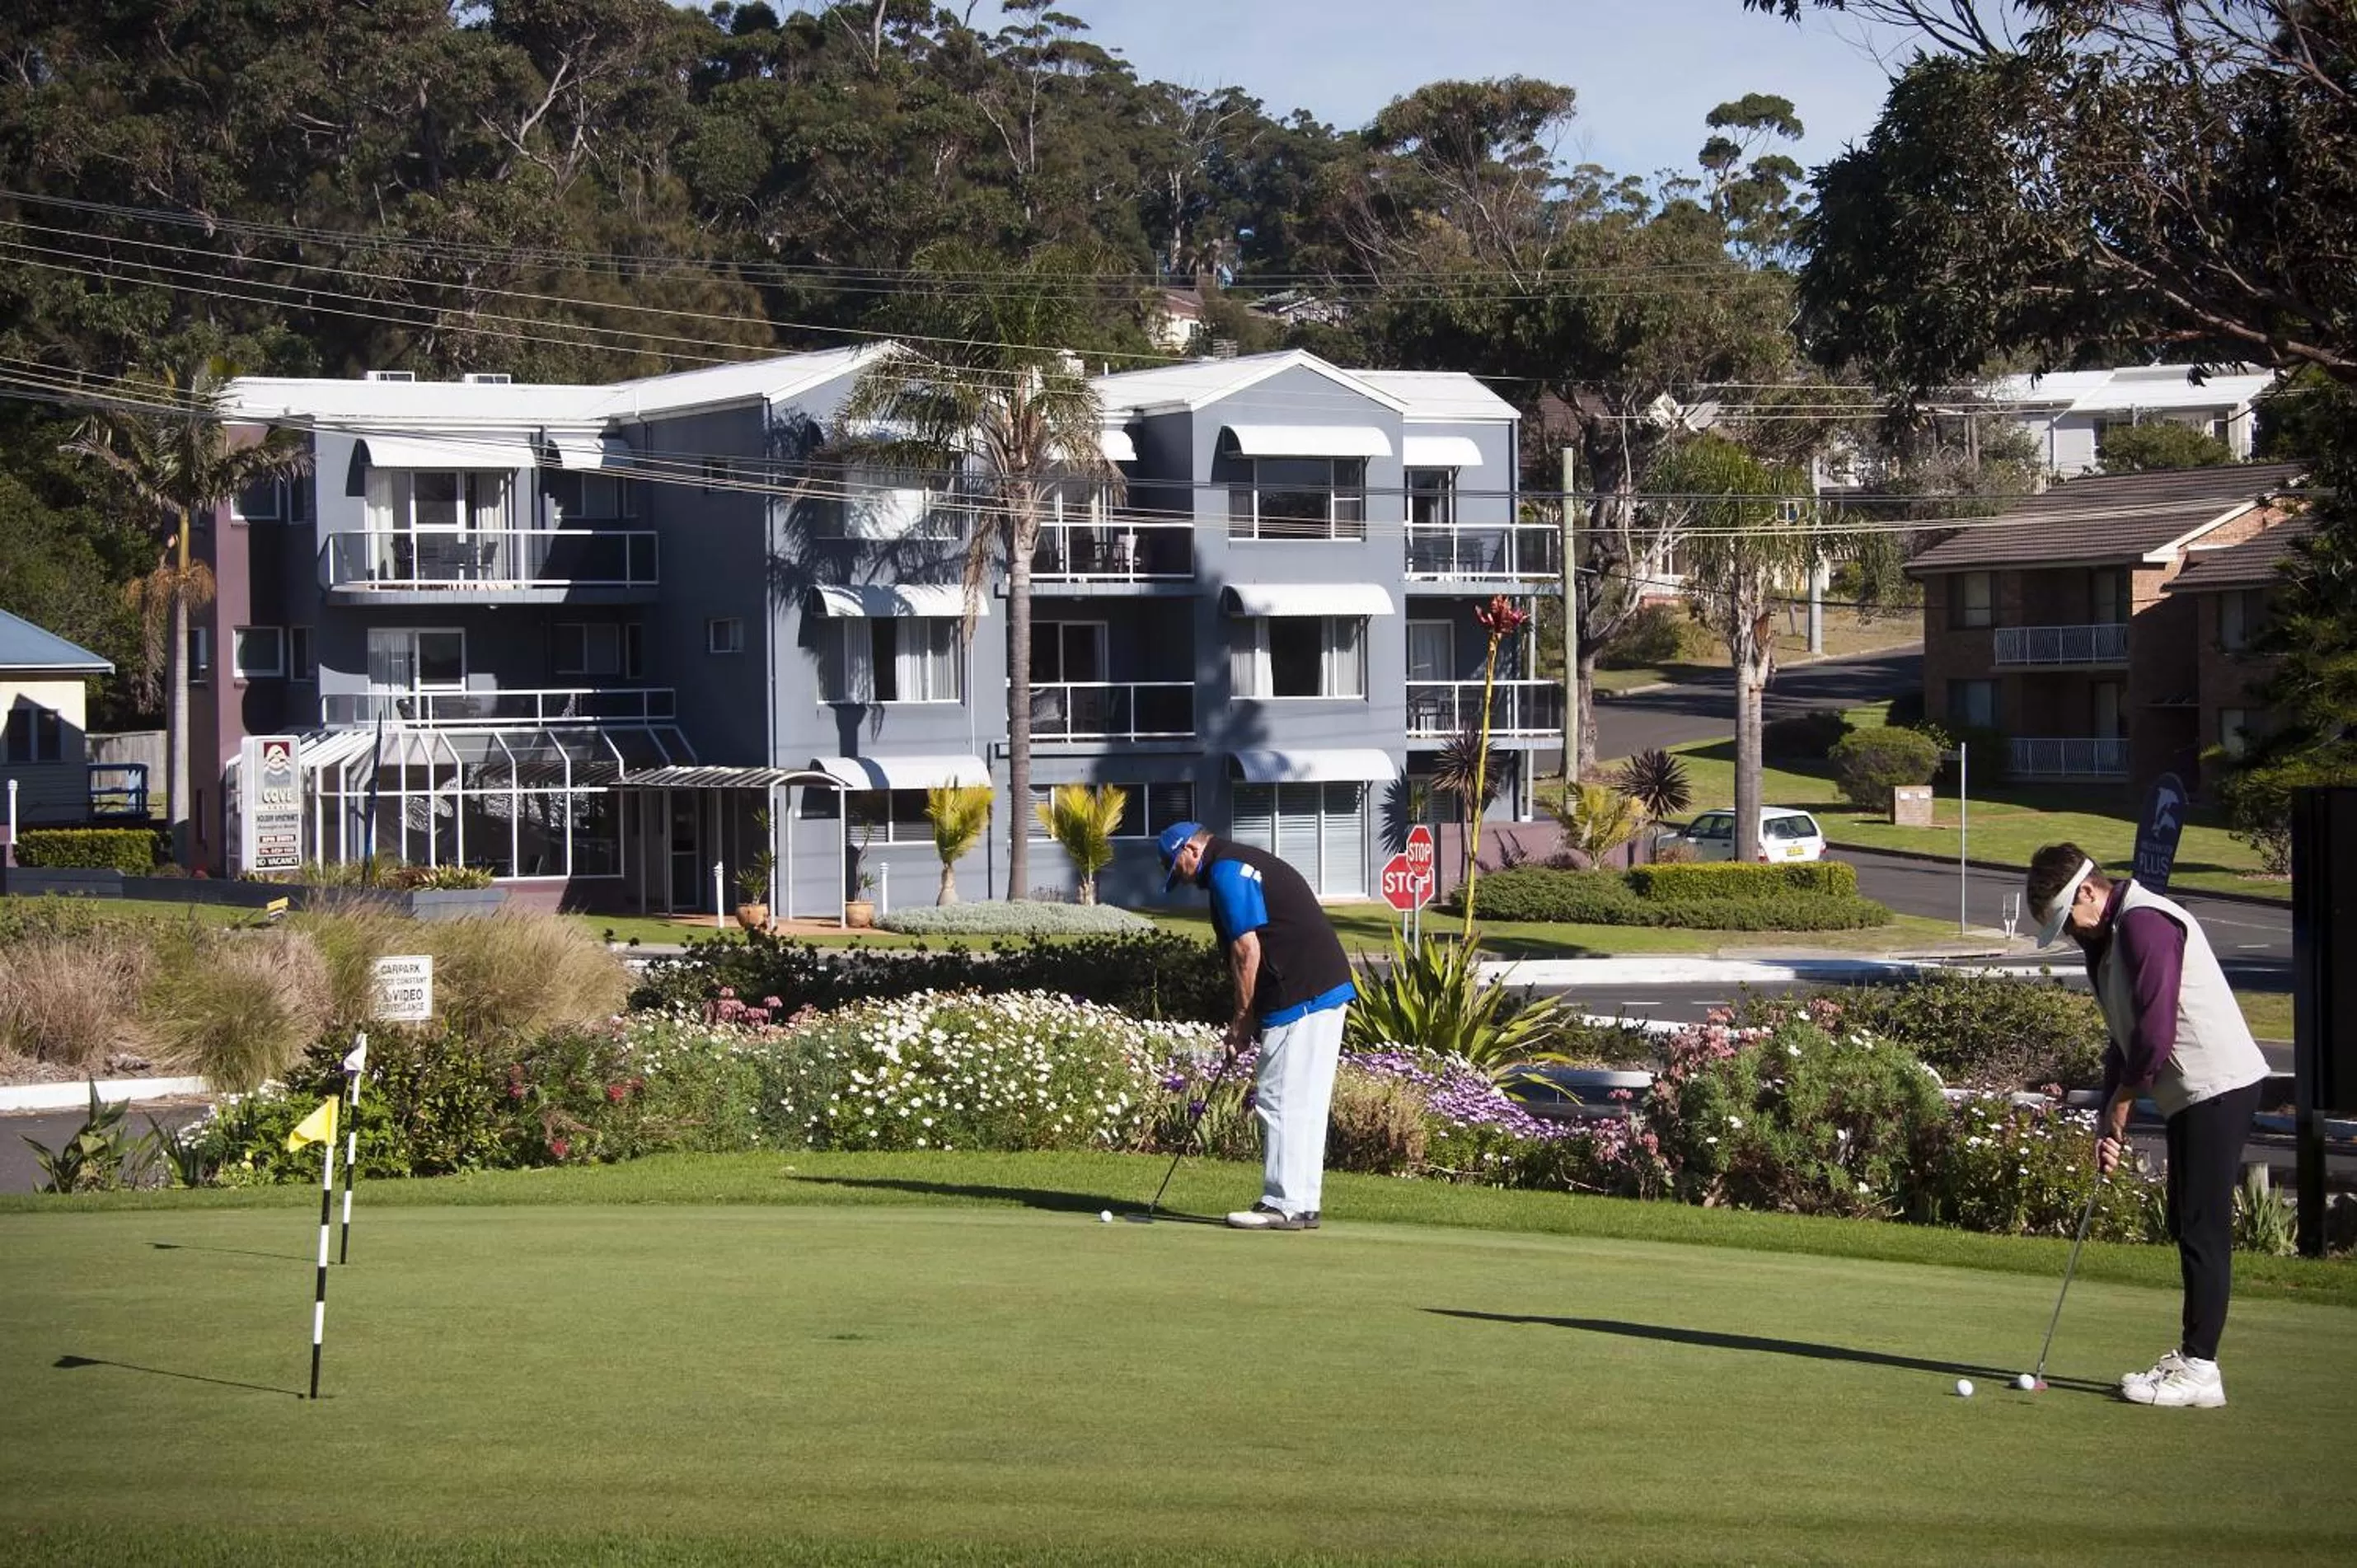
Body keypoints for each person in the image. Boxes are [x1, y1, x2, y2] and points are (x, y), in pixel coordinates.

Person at [2025, 843, 2270, 1407]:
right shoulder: (2105, 943)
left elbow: (2157, 1034)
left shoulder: (2145, 923)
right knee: (2184, 1221)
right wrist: (2108, 1119)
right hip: (2191, 1093)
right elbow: (2125, 1038)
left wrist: (2124, 1102)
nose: (2070, 932)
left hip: (2220, 1083)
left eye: (2068, 919)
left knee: (2203, 1226)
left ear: (2088, 890)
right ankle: (2192, 1357)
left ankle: (2201, 1368)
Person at [1156, 820, 1354, 1230]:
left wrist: (1242, 1021)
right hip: (1322, 989)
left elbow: (1246, 950)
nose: (1183, 879)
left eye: (1178, 868)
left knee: (1280, 1099)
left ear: (1192, 850)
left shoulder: (1228, 872)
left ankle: (1282, 1203)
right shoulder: (1242, 862)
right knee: (1305, 1103)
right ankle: (1302, 1202)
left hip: (1300, 993)